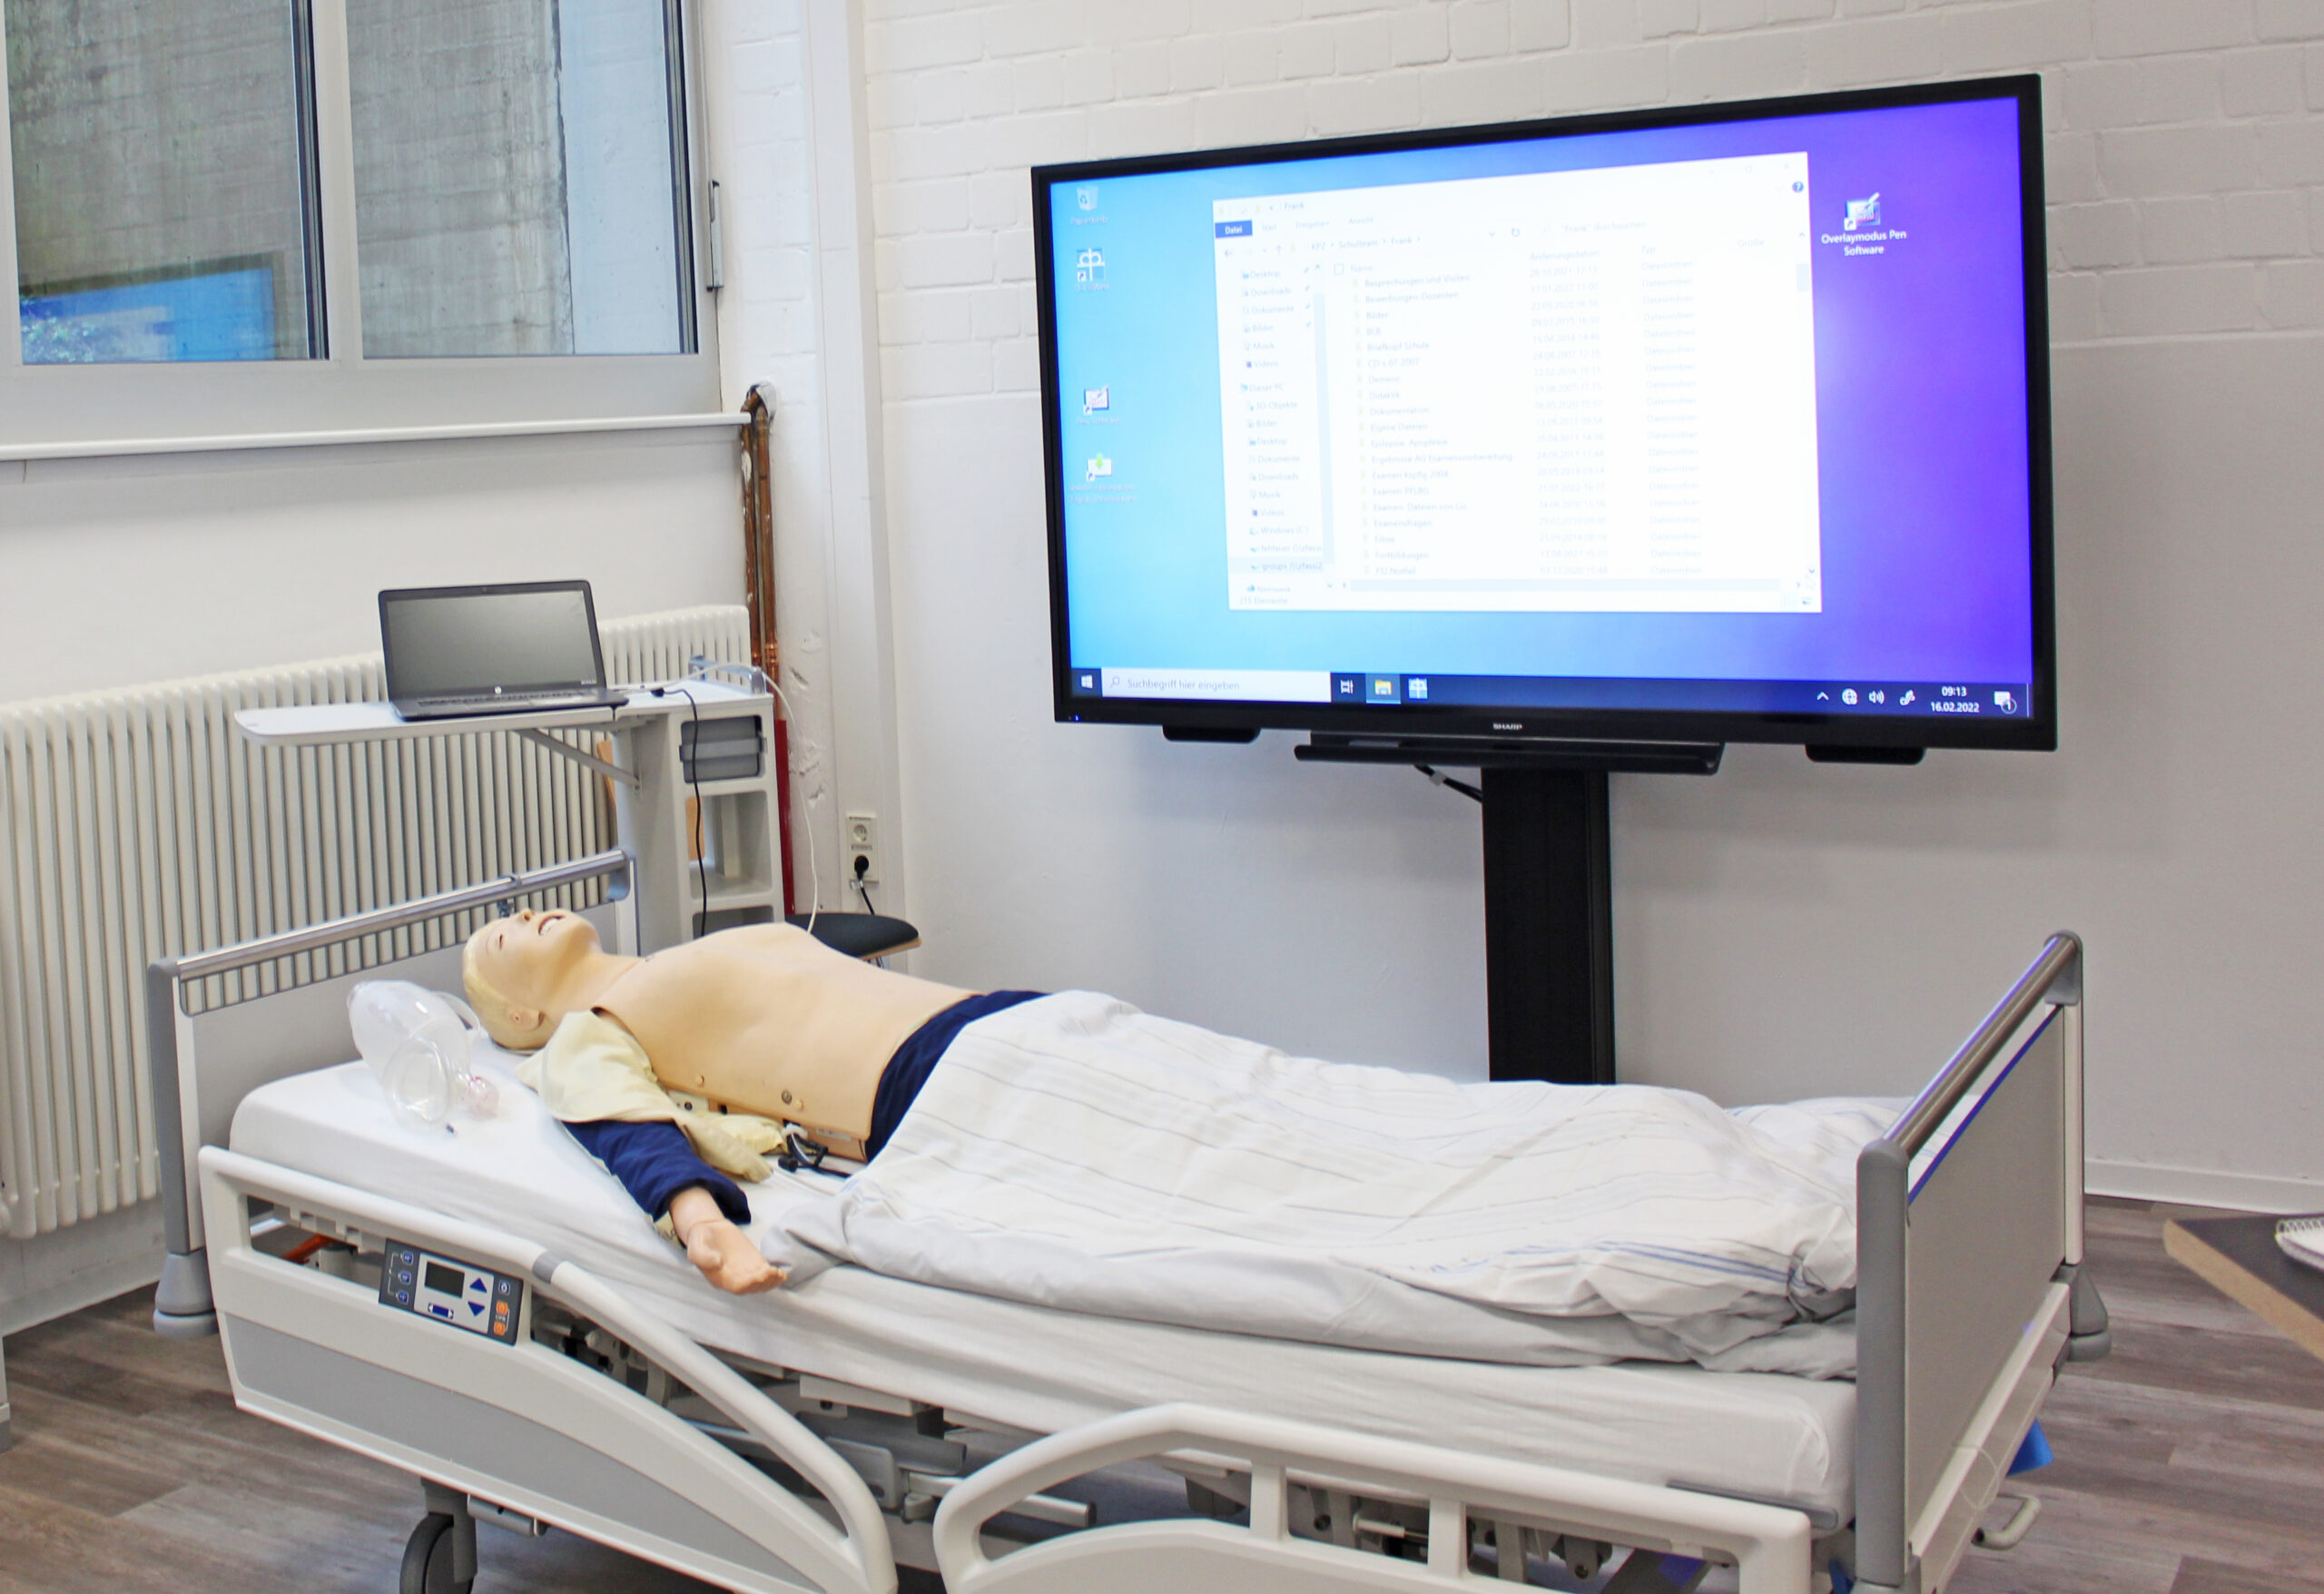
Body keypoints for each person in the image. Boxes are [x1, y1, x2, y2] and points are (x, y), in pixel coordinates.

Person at [462, 908, 1039, 1294]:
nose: (526, 914)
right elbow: (623, 1123)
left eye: (518, 914)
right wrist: (699, 1219)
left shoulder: (674, 962)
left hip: (986, 1014)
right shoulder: (585, 1034)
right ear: (521, 1016)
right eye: (503, 936)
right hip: (915, 1078)